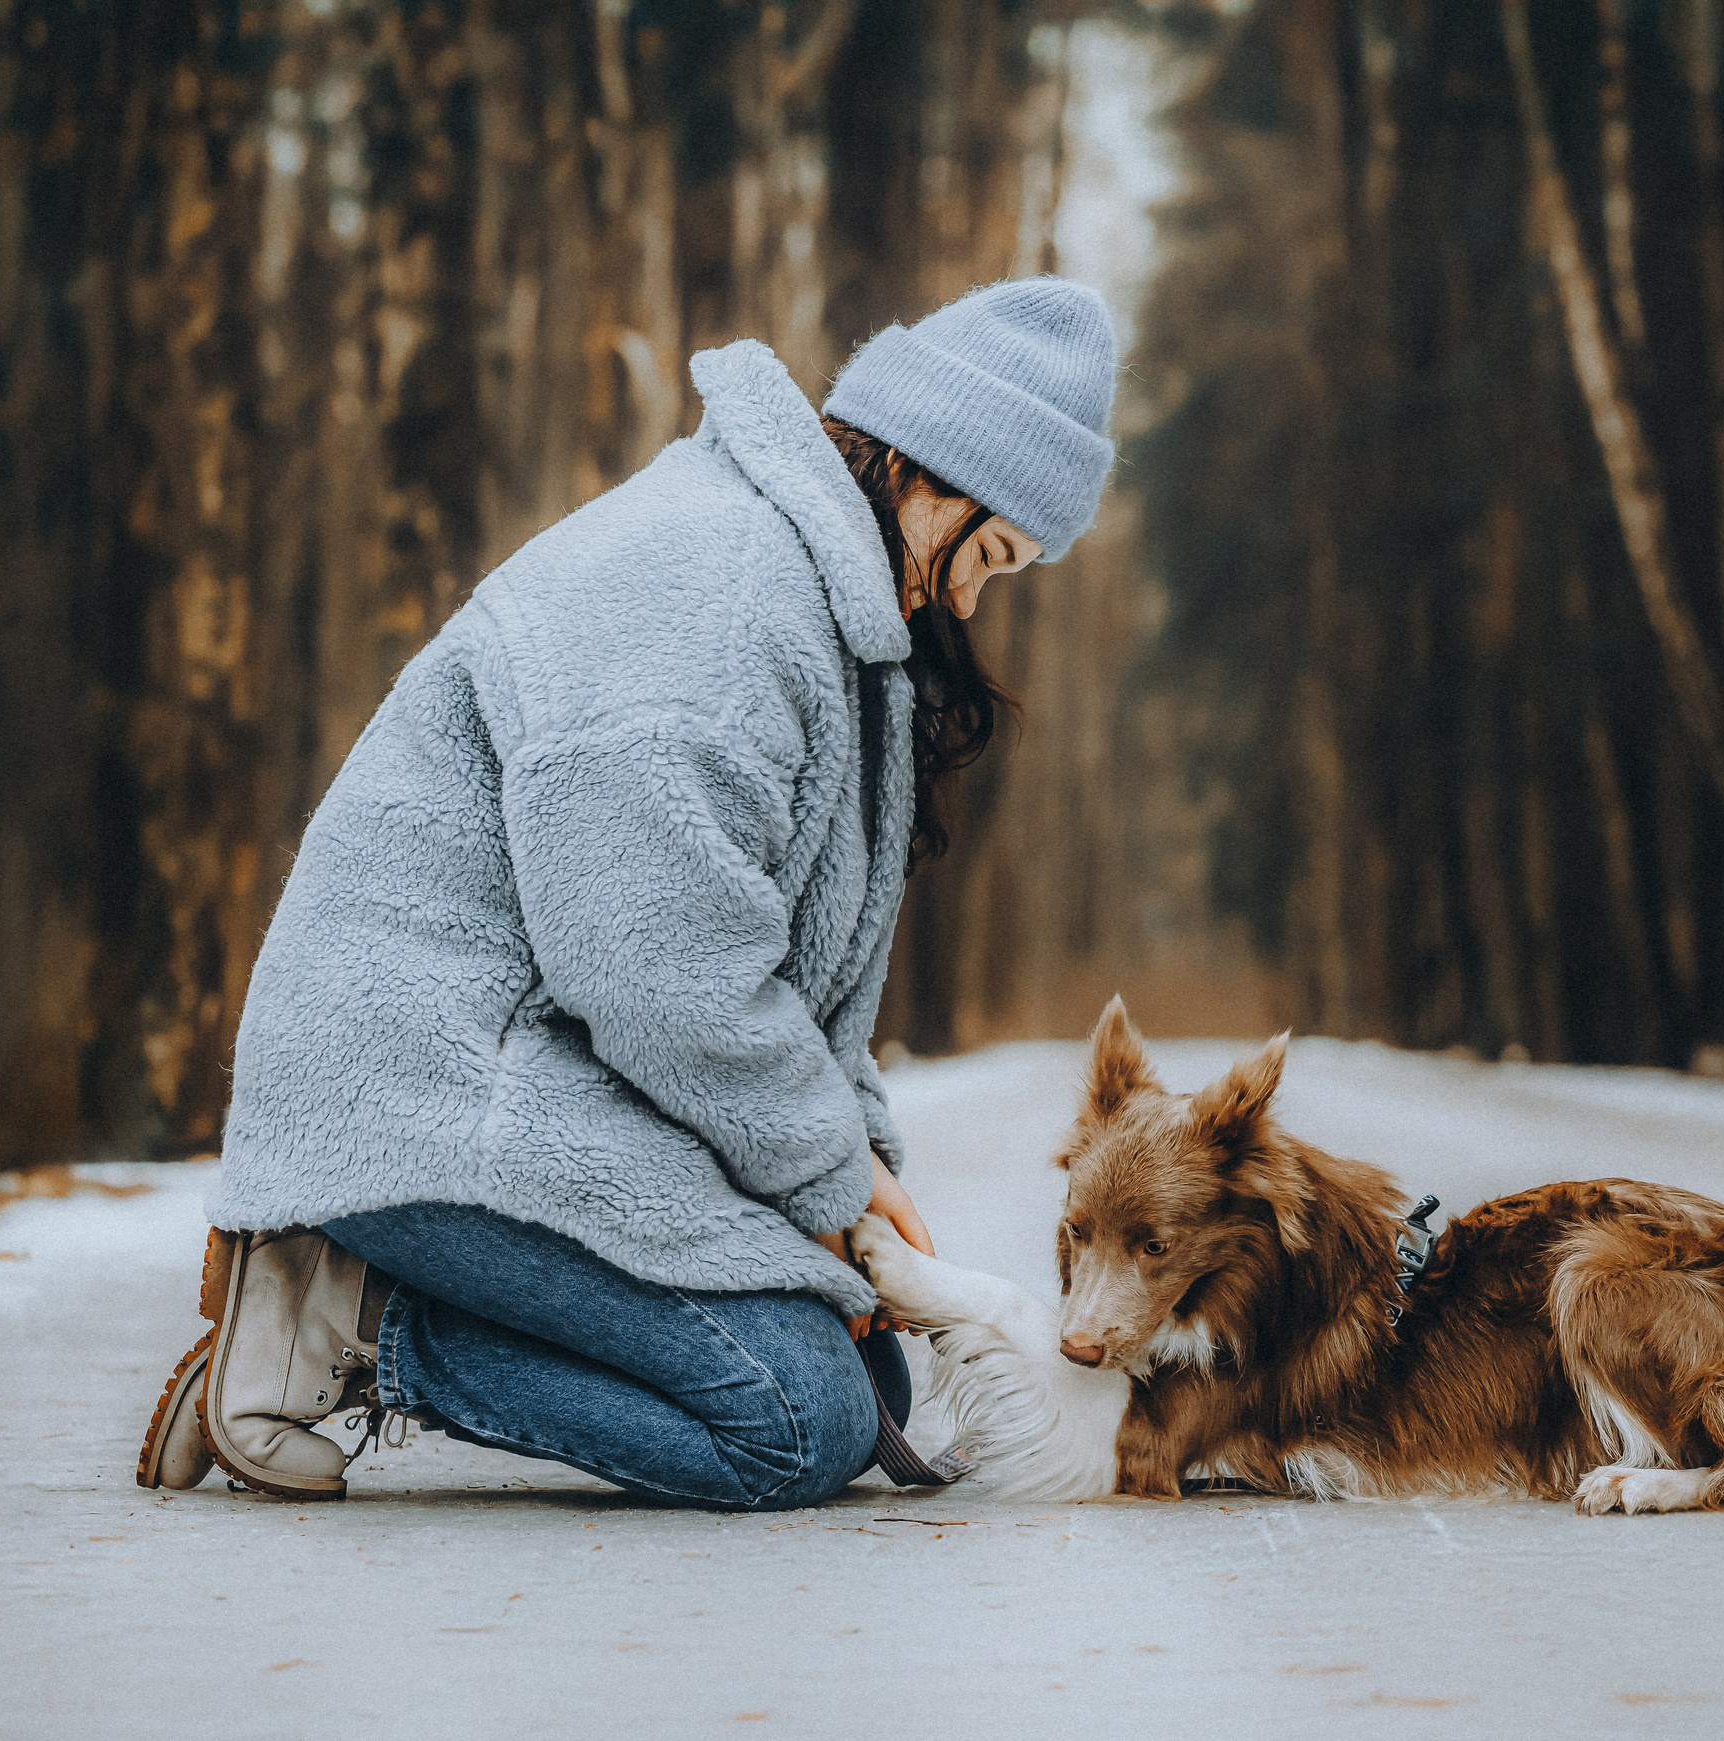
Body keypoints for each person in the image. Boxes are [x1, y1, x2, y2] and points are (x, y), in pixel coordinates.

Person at [134, 278, 1119, 1509]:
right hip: (426, 1094)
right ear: (930, 475)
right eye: (988, 555)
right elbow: (658, 967)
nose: (971, 599)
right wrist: (827, 1180)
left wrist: (852, 1177)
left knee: (870, 1387)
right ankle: (352, 1321)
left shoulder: (823, 600)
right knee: (795, 1419)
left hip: (545, 1078)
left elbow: (795, 970)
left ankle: (361, 1312)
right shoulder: (721, 593)